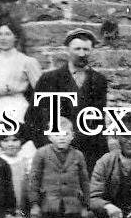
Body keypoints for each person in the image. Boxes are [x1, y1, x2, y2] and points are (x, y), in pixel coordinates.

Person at [29, 28, 110, 172]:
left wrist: (102, 155)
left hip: (88, 154)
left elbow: (99, 122)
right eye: (77, 49)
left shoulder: (99, 81)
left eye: (86, 49)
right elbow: (34, 119)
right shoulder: (49, 79)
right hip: (56, 154)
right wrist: (46, 149)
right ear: (67, 49)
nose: (81, 53)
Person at [0, 21, 43, 142]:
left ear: (15, 37)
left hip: (17, 105)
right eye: (0, 34)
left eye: (7, 34)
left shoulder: (27, 61)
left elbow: (40, 90)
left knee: (17, 139)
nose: (3, 38)